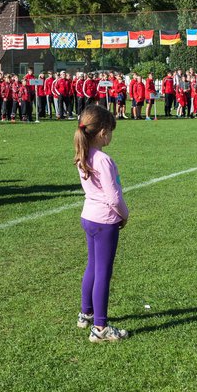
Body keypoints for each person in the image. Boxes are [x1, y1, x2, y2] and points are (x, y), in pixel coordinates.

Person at [75, 105, 129, 343]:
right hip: (105, 221)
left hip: (89, 217)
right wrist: (124, 214)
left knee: (92, 266)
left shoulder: (82, 153)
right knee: (103, 273)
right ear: (103, 132)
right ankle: (100, 328)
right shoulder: (103, 160)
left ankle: (85, 314)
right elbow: (113, 196)